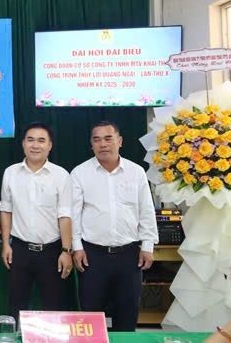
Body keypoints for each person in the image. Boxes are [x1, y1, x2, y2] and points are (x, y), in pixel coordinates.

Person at [69, 121, 159, 331]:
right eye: (97, 139)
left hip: (129, 255)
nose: (103, 144)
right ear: (91, 144)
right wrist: (77, 247)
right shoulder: (80, 173)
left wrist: (148, 246)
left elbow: (146, 210)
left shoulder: (136, 172)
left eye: (108, 138)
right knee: (90, 319)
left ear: (120, 141)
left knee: (127, 316)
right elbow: (74, 215)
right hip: (92, 256)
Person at [0, 122, 72, 322]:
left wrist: (66, 251)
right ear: (23, 143)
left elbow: (65, 215)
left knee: (53, 305)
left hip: (51, 251)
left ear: (50, 145)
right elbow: (6, 210)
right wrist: (5, 244)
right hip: (20, 250)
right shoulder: (11, 172)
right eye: (30, 140)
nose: (35, 145)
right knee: (16, 304)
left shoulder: (61, 175)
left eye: (41, 140)